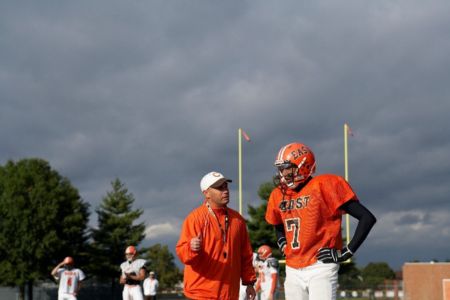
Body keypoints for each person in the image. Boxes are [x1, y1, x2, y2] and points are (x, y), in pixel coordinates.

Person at [265, 142, 377, 300]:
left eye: (286, 167)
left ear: (302, 166)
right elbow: (277, 223)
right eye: (280, 168)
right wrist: (282, 240)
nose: (282, 173)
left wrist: (346, 252)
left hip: (320, 265)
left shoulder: (324, 185)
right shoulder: (278, 194)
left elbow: (367, 218)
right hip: (292, 267)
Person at [176, 171, 257, 300]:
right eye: (220, 188)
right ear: (206, 193)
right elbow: (183, 253)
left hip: (229, 293)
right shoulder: (195, 219)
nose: (225, 191)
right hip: (200, 294)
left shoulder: (238, 219)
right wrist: (191, 248)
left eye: (226, 186)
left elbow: (245, 254)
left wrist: (249, 282)